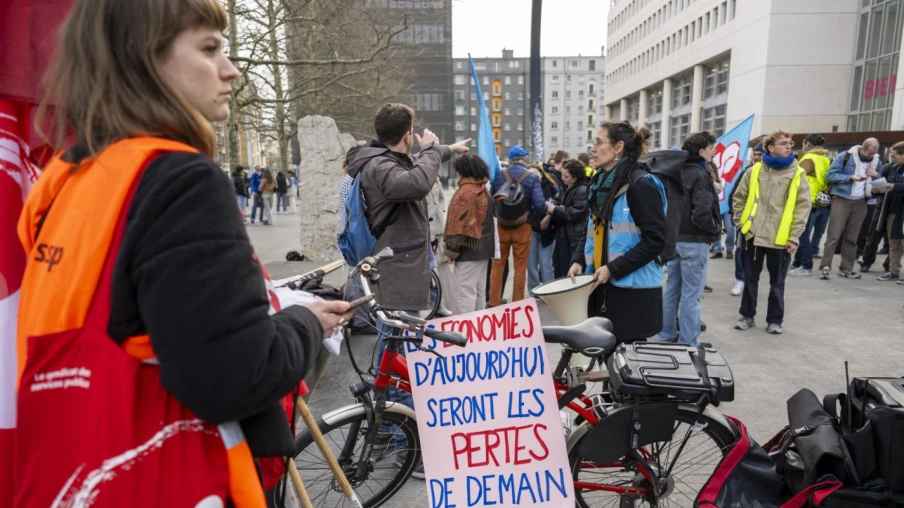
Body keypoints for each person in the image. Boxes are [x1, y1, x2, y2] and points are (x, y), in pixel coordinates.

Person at [15, 0, 351, 505]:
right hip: (168, 480)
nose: (230, 70)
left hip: (66, 472)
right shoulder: (180, 180)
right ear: (143, 58)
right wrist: (306, 323)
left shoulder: (62, 178)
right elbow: (236, 376)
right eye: (209, 48)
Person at [344, 104, 469, 475]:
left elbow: (413, 167)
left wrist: (446, 150)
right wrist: (432, 151)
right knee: (401, 363)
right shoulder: (382, 166)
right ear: (406, 136)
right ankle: (408, 451)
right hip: (396, 277)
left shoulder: (382, 160)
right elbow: (415, 182)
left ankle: (384, 429)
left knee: (393, 356)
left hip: (397, 274)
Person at [567, 121, 667, 343]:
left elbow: (656, 241)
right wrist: (578, 259)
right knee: (606, 357)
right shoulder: (600, 185)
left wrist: (613, 268)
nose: (593, 149)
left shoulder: (641, 186)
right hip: (603, 290)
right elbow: (592, 228)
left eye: (598, 143)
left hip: (633, 297)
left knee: (625, 362)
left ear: (618, 147)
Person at [732, 130, 810, 334]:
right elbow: (739, 198)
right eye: (783, 143)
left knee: (777, 283)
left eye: (790, 143)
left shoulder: (797, 173)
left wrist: (794, 237)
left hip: (780, 238)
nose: (788, 146)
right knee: (750, 279)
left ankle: (775, 321)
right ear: (770, 147)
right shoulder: (754, 171)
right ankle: (747, 316)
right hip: (753, 235)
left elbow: (802, 208)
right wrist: (741, 224)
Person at [660, 132, 722, 347]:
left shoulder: (675, 172)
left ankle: (667, 335)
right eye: (711, 148)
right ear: (701, 151)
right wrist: (714, 229)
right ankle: (688, 342)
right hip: (694, 241)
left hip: (674, 239)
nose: (714, 151)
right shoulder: (700, 174)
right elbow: (702, 213)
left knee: (672, 291)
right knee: (690, 295)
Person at [489, 146, 548, 306]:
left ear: (509, 159)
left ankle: (493, 302)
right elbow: (540, 205)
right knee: (520, 268)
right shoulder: (532, 177)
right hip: (522, 227)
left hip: (501, 226)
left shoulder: (499, 175)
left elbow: (492, 199)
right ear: (525, 159)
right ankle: (517, 304)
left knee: (497, 266)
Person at [819, 138, 881, 280]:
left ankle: (846, 268)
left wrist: (876, 175)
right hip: (842, 198)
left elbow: (880, 181)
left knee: (852, 238)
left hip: (862, 201)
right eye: (869, 153)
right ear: (863, 149)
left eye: (874, 153)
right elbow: (830, 175)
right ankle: (825, 267)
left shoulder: (876, 161)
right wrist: (850, 177)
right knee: (834, 235)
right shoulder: (845, 156)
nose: (871, 156)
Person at [444, 155, 496, 314]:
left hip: (468, 251)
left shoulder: (466, 192)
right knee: (478, 293)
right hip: (484, 249)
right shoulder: (482, 188)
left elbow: (457, 225)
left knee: (463, 294)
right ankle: (478, 327)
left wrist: (452, 250)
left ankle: (464, 327)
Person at [789, 134, 832, 275]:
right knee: (806, 233)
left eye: (803, 143)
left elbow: (797, 179)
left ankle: (806, 266)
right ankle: (797, 263)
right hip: (820, 200)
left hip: (807, 199)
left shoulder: (808, 158)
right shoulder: (825, 158)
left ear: (807, 143)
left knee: (802, 234)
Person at [728, 143, 762, 296]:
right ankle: (740, 279)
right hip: (746, 221)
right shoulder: (747, 172)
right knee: (741, 250)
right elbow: (735, 195)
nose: (757, 157)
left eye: (760, 154)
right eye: (755, 154)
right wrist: (738, 219)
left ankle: (751, 281)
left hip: (765, 223)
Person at [549, 159, 590, 274]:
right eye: (562, 175)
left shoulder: (582, 189)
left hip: (575, 235)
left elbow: (576, 212)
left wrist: (556, 209)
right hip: (565, 232)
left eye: (566, 176)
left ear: (575, 176)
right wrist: (551, 205)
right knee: (562, 266)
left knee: (571, 266)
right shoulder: (567, 186)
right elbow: (557, 199)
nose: (562, 178)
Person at [527, 161, 560, 296]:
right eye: (530, 174)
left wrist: (549, 216)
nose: (534, 177)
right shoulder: (525, 188)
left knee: (545, 263)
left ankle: (549, 292)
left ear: (542, 174)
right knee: (531, 264)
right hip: (531, 230)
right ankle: (534, 292)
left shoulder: (551, 187)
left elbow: (558, 205)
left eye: (536, 173)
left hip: (548, 231)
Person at [873, 141, 904, 281]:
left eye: (894, 156)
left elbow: (895, 186)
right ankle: (894, 271)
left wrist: (893, 186)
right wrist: (879, 190)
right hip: (892, 211)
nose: (892, 159)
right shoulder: (895, 168)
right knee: (893, 243)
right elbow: (889, 186)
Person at [426, 176, 453, 315]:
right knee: (431, 266)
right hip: (428, 227)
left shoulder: (436, 181)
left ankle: (444, 300)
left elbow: (442, 198)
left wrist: (440, 208)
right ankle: (437, 302)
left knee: (442, 262)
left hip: (439, 224)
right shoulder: (420, 181)